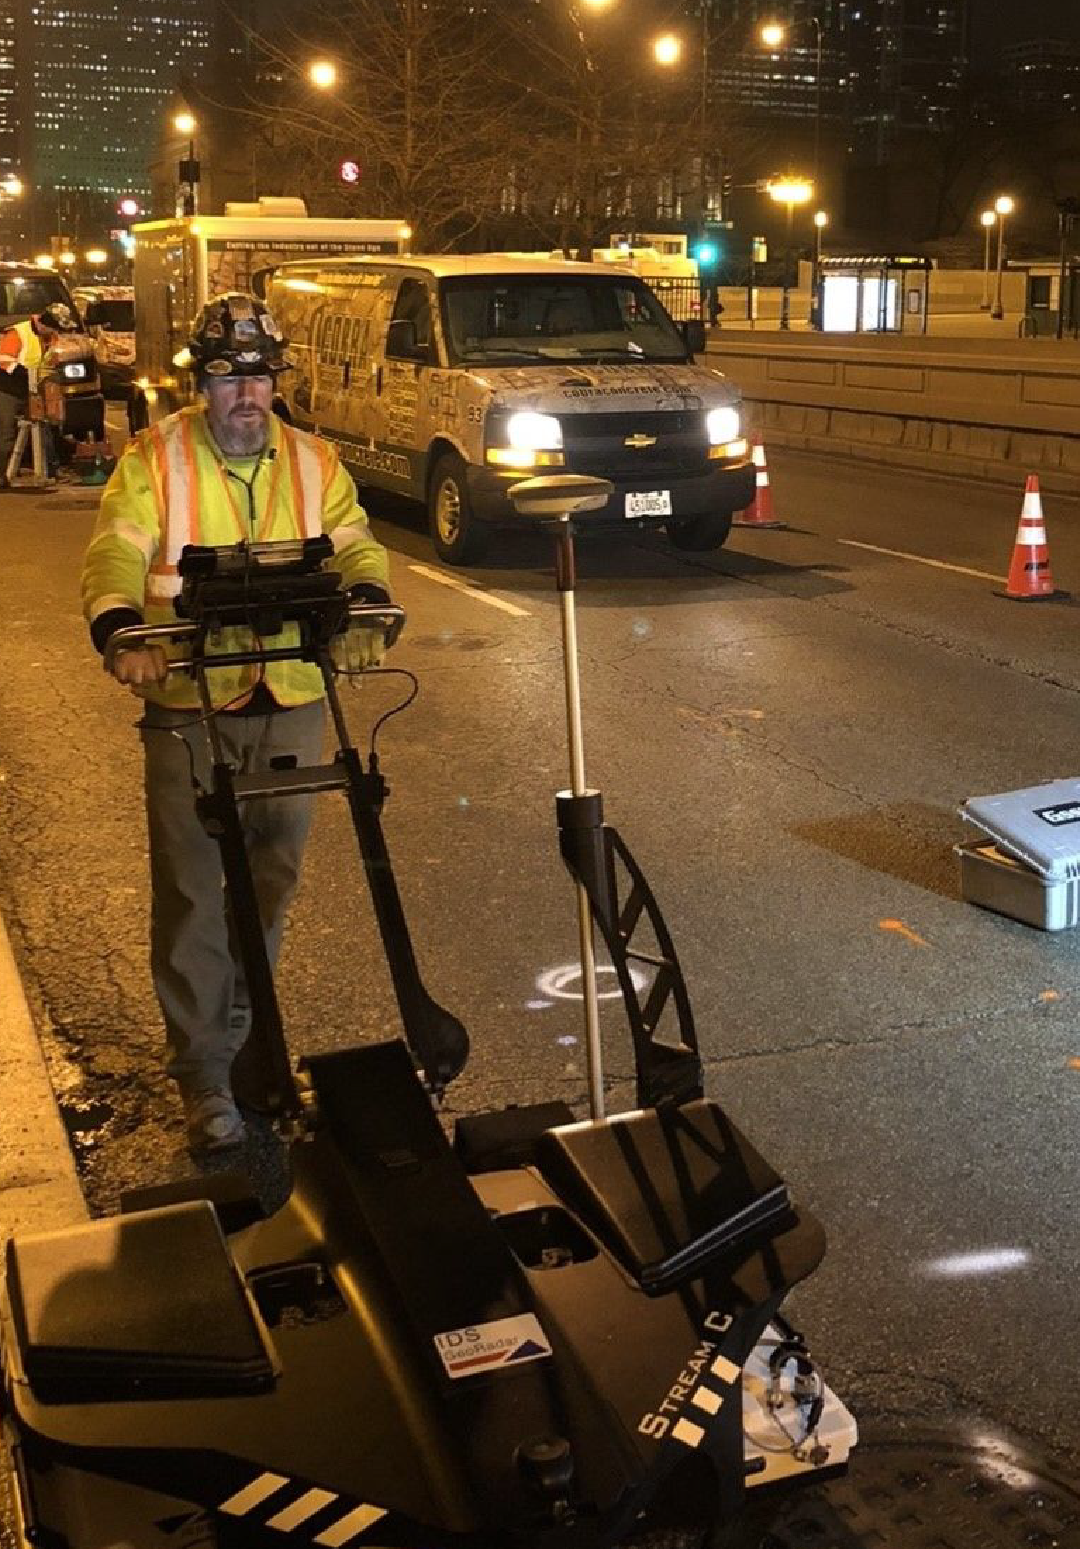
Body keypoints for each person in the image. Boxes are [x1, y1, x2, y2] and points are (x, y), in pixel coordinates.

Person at [80, 293, 392, 1156]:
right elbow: (116, 548)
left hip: (290, 697)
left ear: (275, 380)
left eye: (258, 375)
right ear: (202, 384)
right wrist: (120, 631)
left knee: (270, 887)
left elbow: (357, 540)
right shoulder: (155, 459)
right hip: (189, 704)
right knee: (191, 899)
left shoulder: (313, 461)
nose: (246, 394)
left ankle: (254, 1051)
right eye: (226, 377)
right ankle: (205, 1077)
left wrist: (366, 603)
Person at [0, 302, 78, 484]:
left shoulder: (50, 337)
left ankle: (51, 470)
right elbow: (2, 358)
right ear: (44, 323)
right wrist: (23, 373)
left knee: (43, 428)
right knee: (5, 433)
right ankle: (2, 474)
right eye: (54, 328)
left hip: (32, 389)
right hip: (8, 388)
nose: (55, 332)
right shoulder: (18, 333)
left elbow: (50, 362)